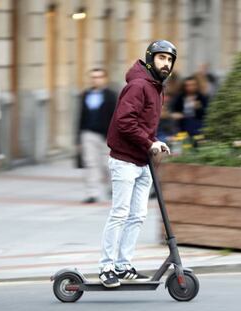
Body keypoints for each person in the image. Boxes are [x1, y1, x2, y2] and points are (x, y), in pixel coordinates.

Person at [98, 40, 176, 288]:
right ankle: (106, 267)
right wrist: (148, 142)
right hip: (124, 160)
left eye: (170, 59)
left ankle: (123, 265)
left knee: (138, 215)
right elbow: (124, 122)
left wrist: (155, 141)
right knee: (120, 214)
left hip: (143, 161)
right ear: (151, 58)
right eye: (161, 58)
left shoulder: (156, 87)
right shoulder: (139, 86)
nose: (166, 63)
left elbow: (143, 125)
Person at [77, 68, 117, 204]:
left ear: (104, 79)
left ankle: (113, 189)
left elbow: (115, 117)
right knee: (90, 163)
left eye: (99, 77)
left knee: (107, 165)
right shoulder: (85, 94)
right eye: (93, 77)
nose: (96, 79)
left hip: (106, 136)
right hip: (88, 133)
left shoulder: (111, 95)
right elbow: (80, 117)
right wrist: (78, 139)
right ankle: (92, 193)